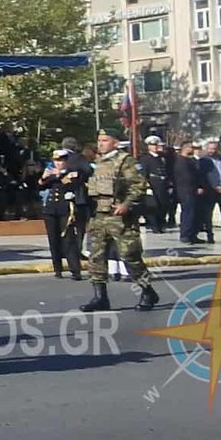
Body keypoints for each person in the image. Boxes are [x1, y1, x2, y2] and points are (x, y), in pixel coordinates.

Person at [78, 128, 159, 312]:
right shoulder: (97, 162)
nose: (101, 143)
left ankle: (147, 291)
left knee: (129, 255)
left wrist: (127, 204)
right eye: (99, 140)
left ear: (115, 142)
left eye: (105, 140)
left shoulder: (126, 161)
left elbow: (139, 186)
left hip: (119, 215)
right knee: (96, 256)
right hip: (99, 214)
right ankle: (100, 297)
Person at [39, 148, 89, 279]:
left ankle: (75, 270)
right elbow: (41, 185)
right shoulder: (52, 173)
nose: (58, 163)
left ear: (66, 161)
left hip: (65, 209)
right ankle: (57, 269)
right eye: (56, 161)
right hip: (51, 209)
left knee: (68, 239)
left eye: (61, 161)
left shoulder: (72, 173)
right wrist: (44, 177)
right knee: (53, 239)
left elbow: (72, 185)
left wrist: (59, 175)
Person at [172, 141, 208, 245]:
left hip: (193, 191)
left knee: (195, 214)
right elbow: (187, 177)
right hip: (186, 191)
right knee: (188, 213)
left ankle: (193, 235)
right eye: (191, 147)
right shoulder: (180, 161)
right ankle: (185, 235)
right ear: (186, 148)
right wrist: (196, 186)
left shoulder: (190, 161)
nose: (193, 149)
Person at [138, 136, 171, 234]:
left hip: (162, 185)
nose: (155, 147)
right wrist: (147, 186)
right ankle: (154, 226)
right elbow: (143, 173)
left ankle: (161, 225)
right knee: (153, 206)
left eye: (156, 145)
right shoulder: (145, 158)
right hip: (153, 185)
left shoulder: (161, 158)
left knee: (163, 205)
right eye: (153, 145)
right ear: (148, 146)